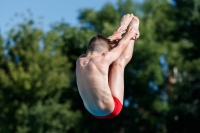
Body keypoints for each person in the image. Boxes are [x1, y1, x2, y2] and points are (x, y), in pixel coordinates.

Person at [76, 14, 140, 119]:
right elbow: (121, 45)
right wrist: (131, 33)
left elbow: (99, 46)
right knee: (118, 63)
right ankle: (131, 28)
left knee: (108, 66)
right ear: (106, 52)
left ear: (87, 51)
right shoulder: (104, 58)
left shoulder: (79, 60)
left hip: (93, 111)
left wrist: (117, 33)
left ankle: (121, 30)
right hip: (111, 109)